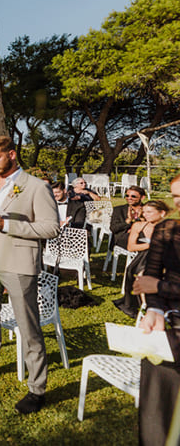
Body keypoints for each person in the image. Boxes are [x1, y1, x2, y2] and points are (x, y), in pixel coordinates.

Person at [0, 136, 60, 415]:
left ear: (12, 155)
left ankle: (37, 388)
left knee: (28, 326)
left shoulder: (37, 187)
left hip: (18, 262)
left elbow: (51, 228)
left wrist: (7, 225)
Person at [132, 173, 180, 446]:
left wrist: (159, 287)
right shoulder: (166, 228)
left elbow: (155, 282)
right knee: (156, 420)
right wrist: (155, 311)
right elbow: (151, 275)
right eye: (176, 197)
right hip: (170, 328)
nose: (179, 204)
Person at [112, 200, 168, 319]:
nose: (145, 214)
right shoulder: (138, 225)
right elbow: (131, 247)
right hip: (143, 258)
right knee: (144, 274)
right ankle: (147, 307)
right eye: (144, 212)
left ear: (162, 213)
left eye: (149, 212)